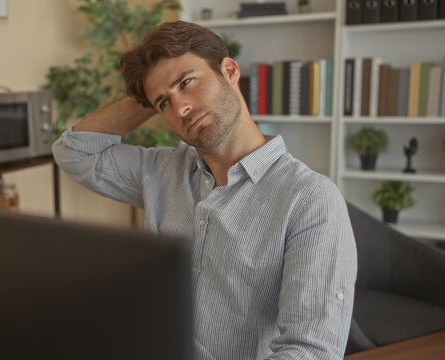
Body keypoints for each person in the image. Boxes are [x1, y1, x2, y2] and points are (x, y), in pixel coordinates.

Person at [52, 21, 357, 360]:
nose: (181, 108)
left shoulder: (310, 199)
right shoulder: (161, 171)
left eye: (187, 82)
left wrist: (163, 88)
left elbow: (311, 352)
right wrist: (148, 93)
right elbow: (75, 151)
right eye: (164, 104)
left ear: (229, 70)